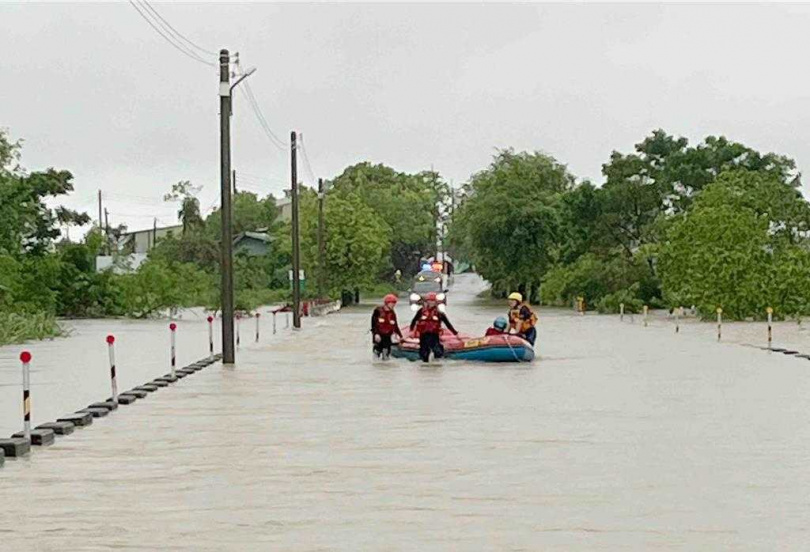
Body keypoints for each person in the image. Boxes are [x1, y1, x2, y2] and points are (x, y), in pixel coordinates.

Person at [410, 292, 458, 362]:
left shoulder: (439, 313)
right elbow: (414, 321)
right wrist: (411, 331)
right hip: (423, 335)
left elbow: (448, 324)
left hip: (434, 335)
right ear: (426, 301)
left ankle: (437, 365)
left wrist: (455, 333)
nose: (431, 303)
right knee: (424, 354)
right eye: (429, 301)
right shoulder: (421, 311)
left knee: (438, 352)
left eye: (433, 301)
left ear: (436, 302)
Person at [371, 294, 403, 359]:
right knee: (376, 353)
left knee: (386, 354)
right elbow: (373, 324)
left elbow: (395, 325)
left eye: (394, 303)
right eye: (392, 303)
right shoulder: (377, 311)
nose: (394, 305)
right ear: (387, 303)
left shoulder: (392, 313)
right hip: (379, 335)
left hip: (387, 336)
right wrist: (376, 334)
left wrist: (400, 336)